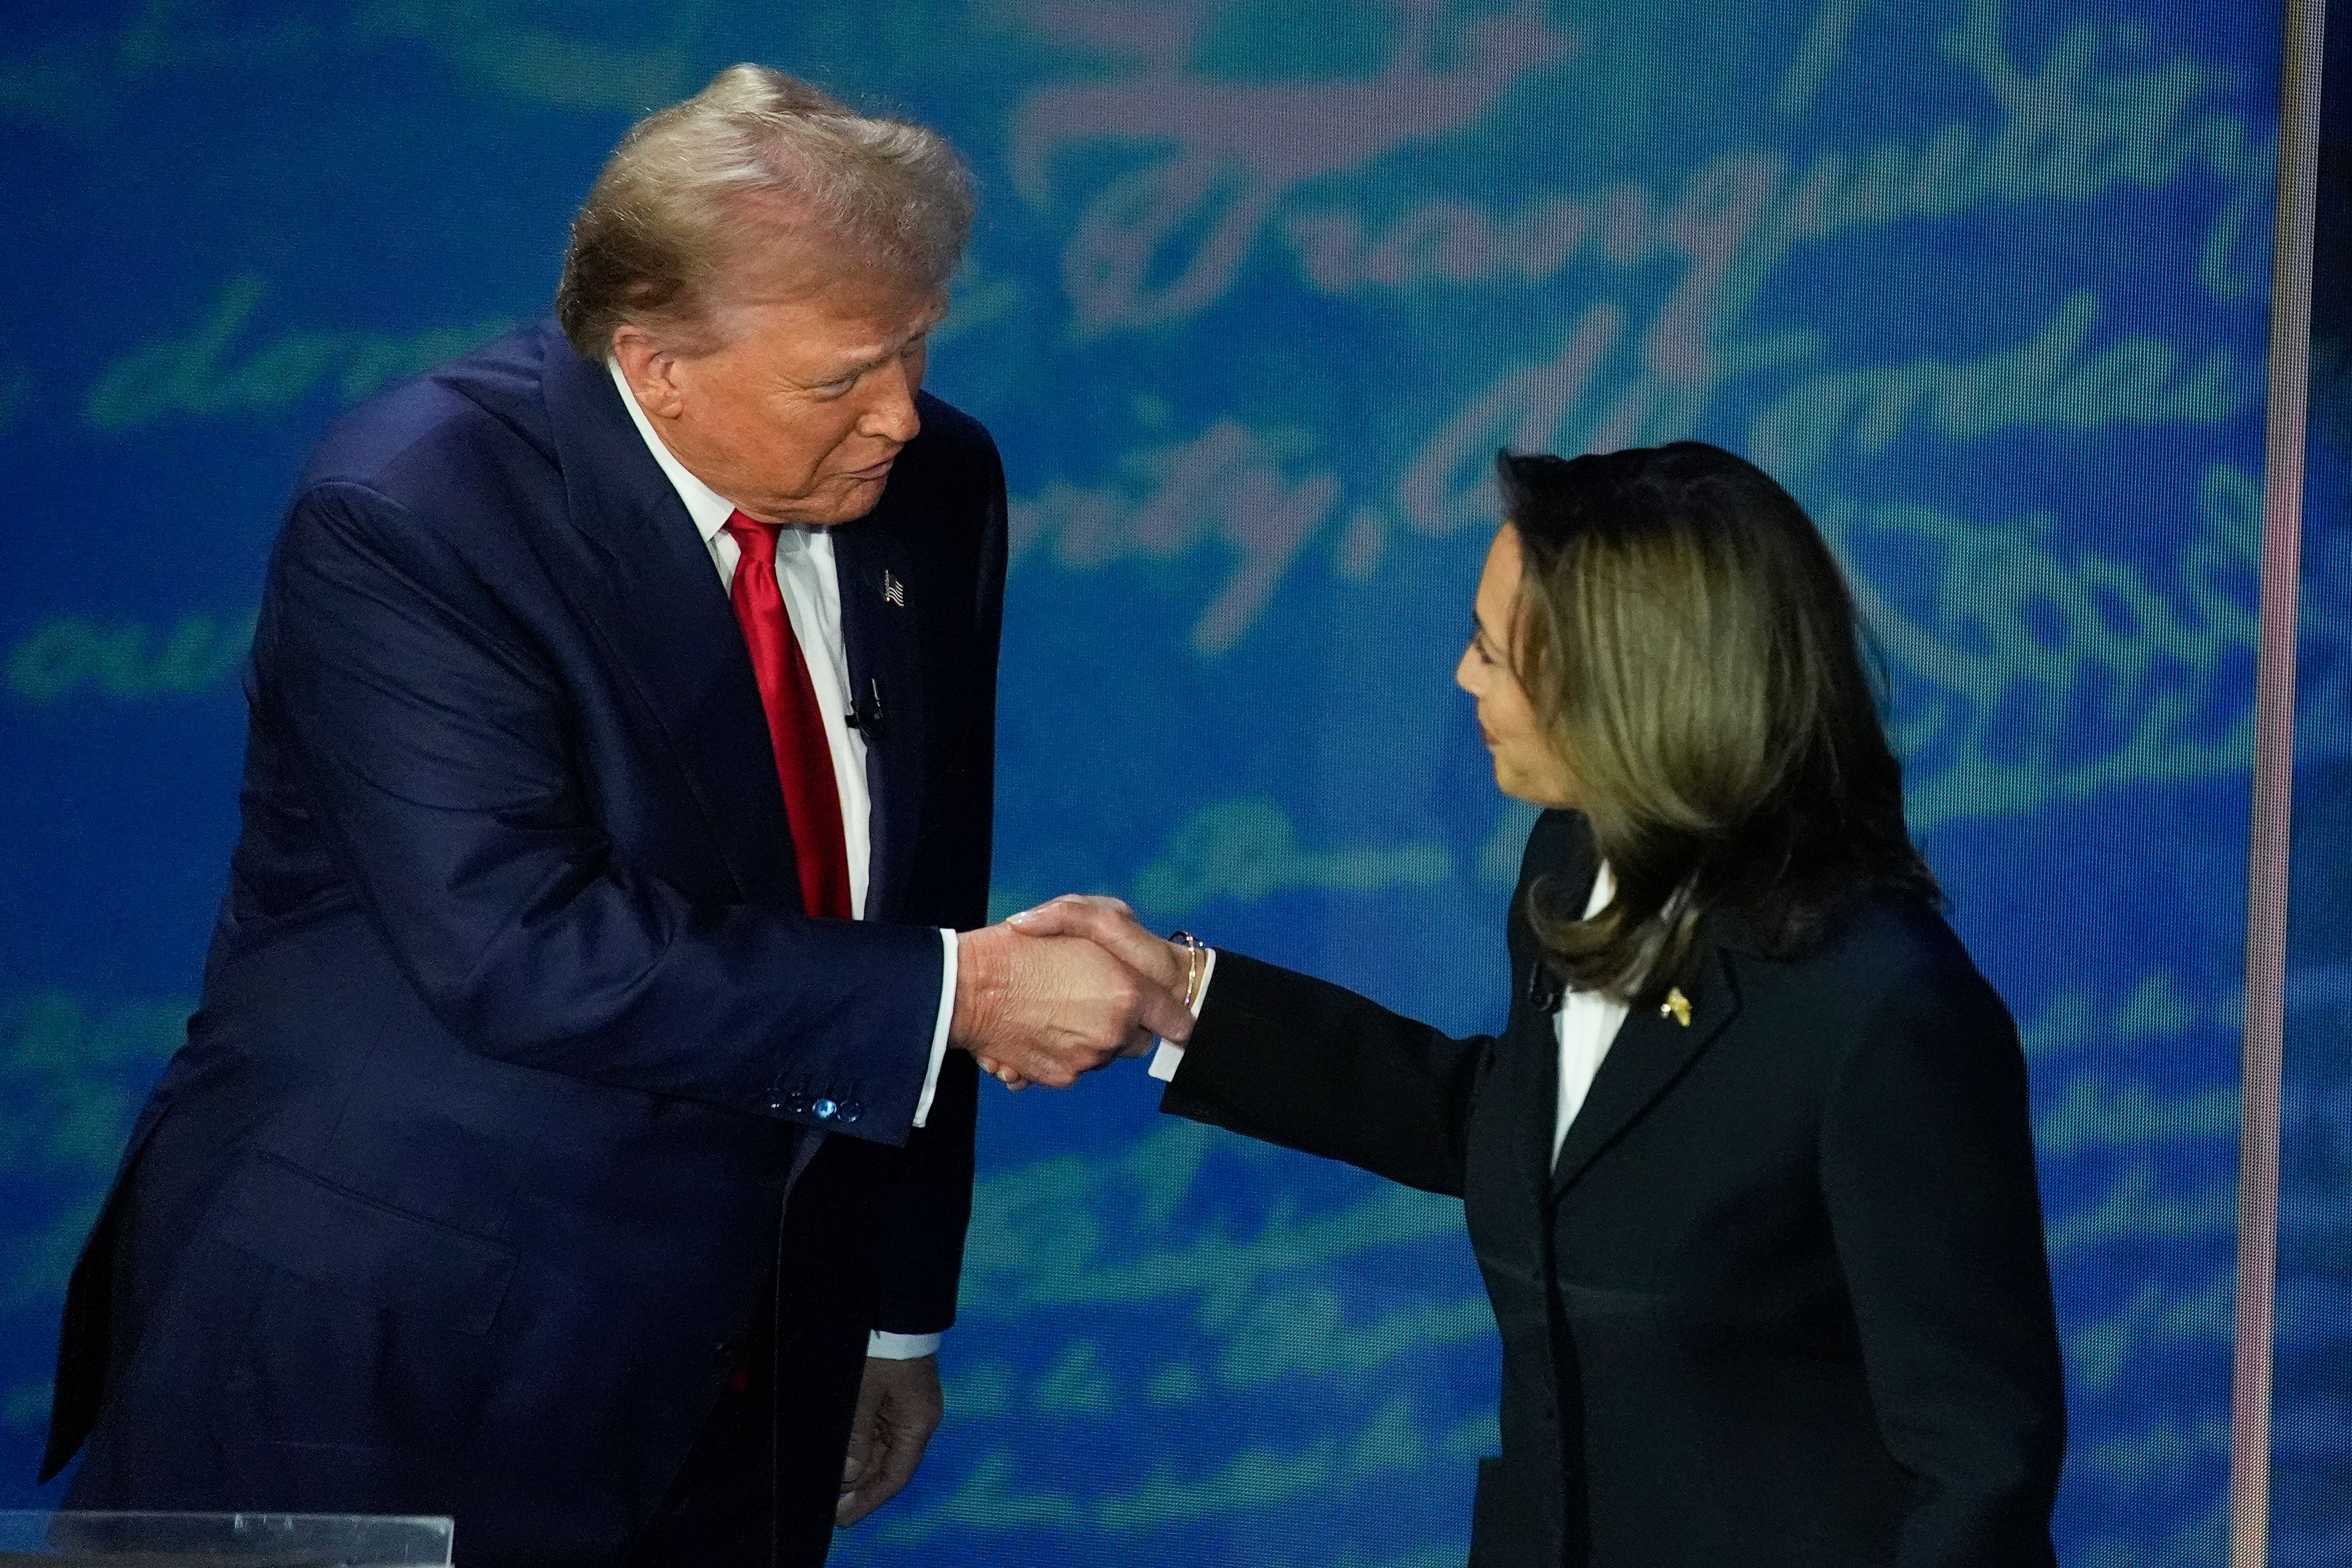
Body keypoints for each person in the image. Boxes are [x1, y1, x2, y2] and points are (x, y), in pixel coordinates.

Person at [42, 65, 1189, 1568]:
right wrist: (971, 994)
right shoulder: (417, 511)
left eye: (914, 346)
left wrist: (895, 1306)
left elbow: (922, 880)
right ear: (653, 366)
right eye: (843, 377)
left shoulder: (936, 483)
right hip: (400, 1346)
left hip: (757, 1351)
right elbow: (520, 942)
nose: (901, 413)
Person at [1012, 443, 2068, 1567]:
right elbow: (1537, 1141)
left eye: (1492, 652)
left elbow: (1978, 1468)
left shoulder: (1884, 1012)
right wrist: (1186, 1002)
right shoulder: (1571, 860)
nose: (1466, 680)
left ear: (1633, 691)